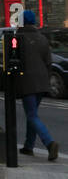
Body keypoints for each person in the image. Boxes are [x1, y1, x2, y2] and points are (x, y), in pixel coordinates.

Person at [14, 11, 58, 160]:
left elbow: (14, 62)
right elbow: (49, 62)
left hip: (27, 81)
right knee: (32, 114)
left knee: (32, 115)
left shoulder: (18, 38)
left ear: (22, 22)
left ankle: (49, 143)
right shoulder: (42, 39)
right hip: (42, 81)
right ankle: (28, 146)